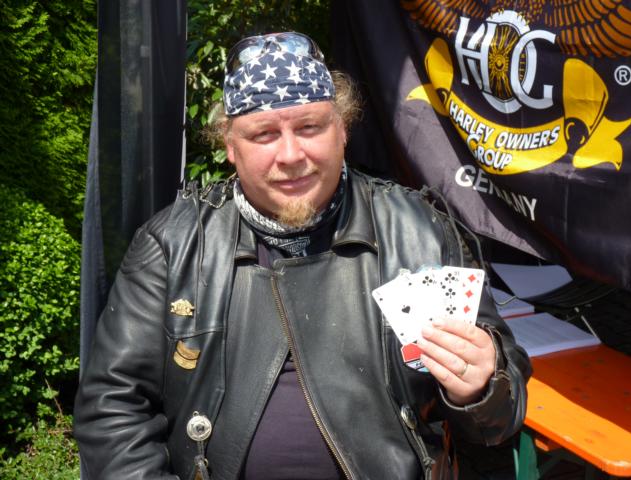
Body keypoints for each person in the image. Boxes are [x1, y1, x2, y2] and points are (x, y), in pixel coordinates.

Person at [74, 31, 531, 480]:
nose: (291, 155)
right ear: (230, 146)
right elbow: (112, 406)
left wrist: (481, 389)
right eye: (264, 134)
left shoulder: (421, 232)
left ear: (342, 129)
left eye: (310, 127)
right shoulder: (173, 245)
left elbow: (499, 418)